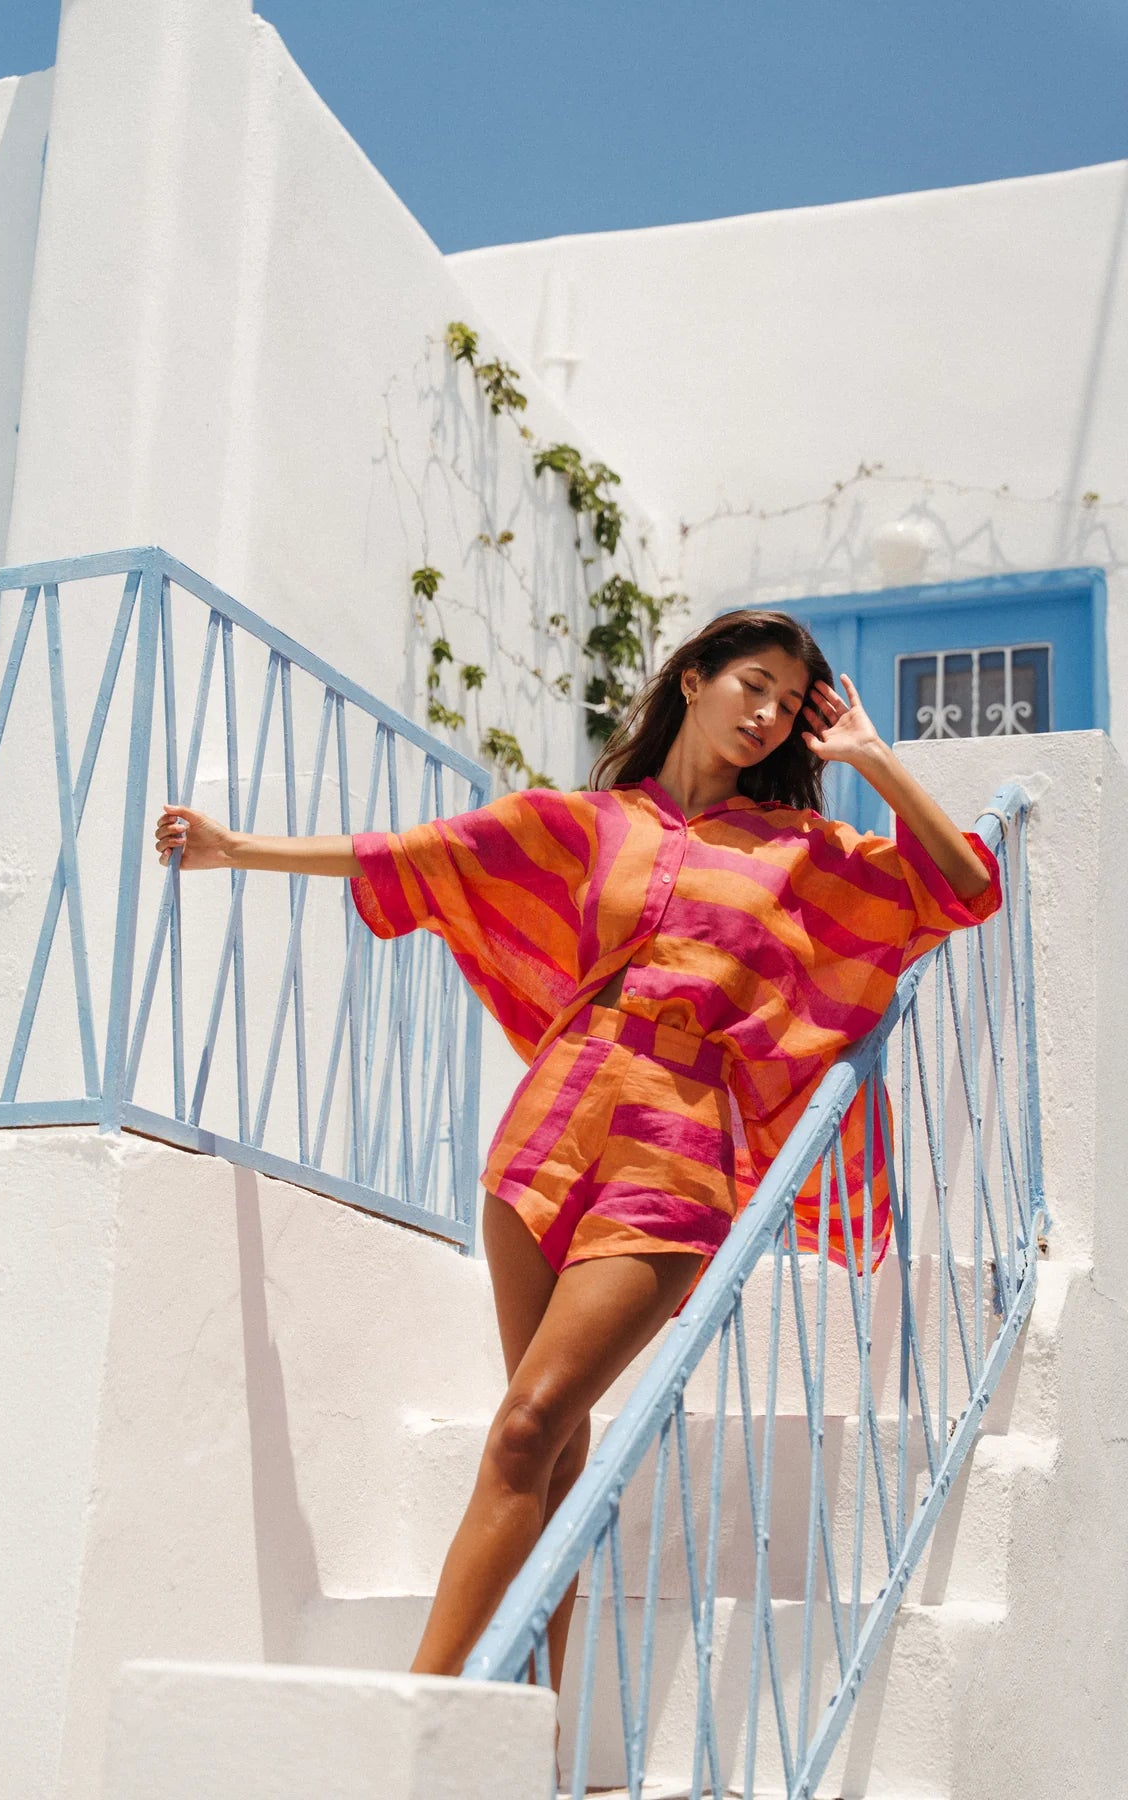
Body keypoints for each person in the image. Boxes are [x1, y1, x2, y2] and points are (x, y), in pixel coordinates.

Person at [153, 609, 999, 1699]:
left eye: (790, 703)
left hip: (678, 1153)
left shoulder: (802, 852)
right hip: (549, 1129)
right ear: (693, 678)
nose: (769, 714)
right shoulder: (588, 823)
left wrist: (874, 761)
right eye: (753, 683)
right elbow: (420, 856)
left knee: (527, 1427)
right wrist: (234, 850)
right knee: (545, 1452)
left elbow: (965, 891)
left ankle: (423, 1714)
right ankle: (536, 1737)